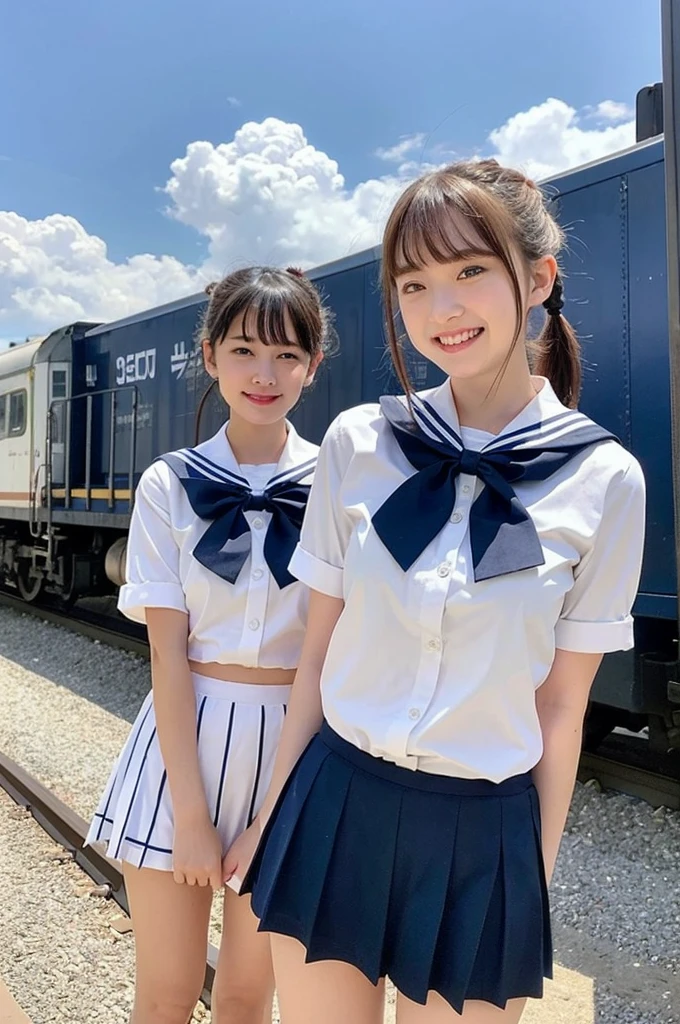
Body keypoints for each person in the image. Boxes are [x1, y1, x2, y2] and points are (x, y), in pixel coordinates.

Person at [226, 161, 647, 1024]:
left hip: (481, 832)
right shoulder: (359, 442)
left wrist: (530, 874)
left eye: (468, 273)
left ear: (537, 279)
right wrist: (270, 816)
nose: (441, 310)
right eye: (413, 284)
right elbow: (319, 652)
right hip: (333, 800)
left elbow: (562, 708)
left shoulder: (606, 480)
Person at [85, 265, 330, 1024]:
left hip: (292, 749)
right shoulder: (170, 483)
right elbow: (166, 654)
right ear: (210, 354)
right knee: (163, 993)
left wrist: (269, 818)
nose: (266, 374)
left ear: (313, 366)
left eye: (288, 354)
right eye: (246, 350)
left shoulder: (338, 481)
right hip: (177, 752)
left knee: (250, 994)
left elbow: (324, 657)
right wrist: (190, 818)